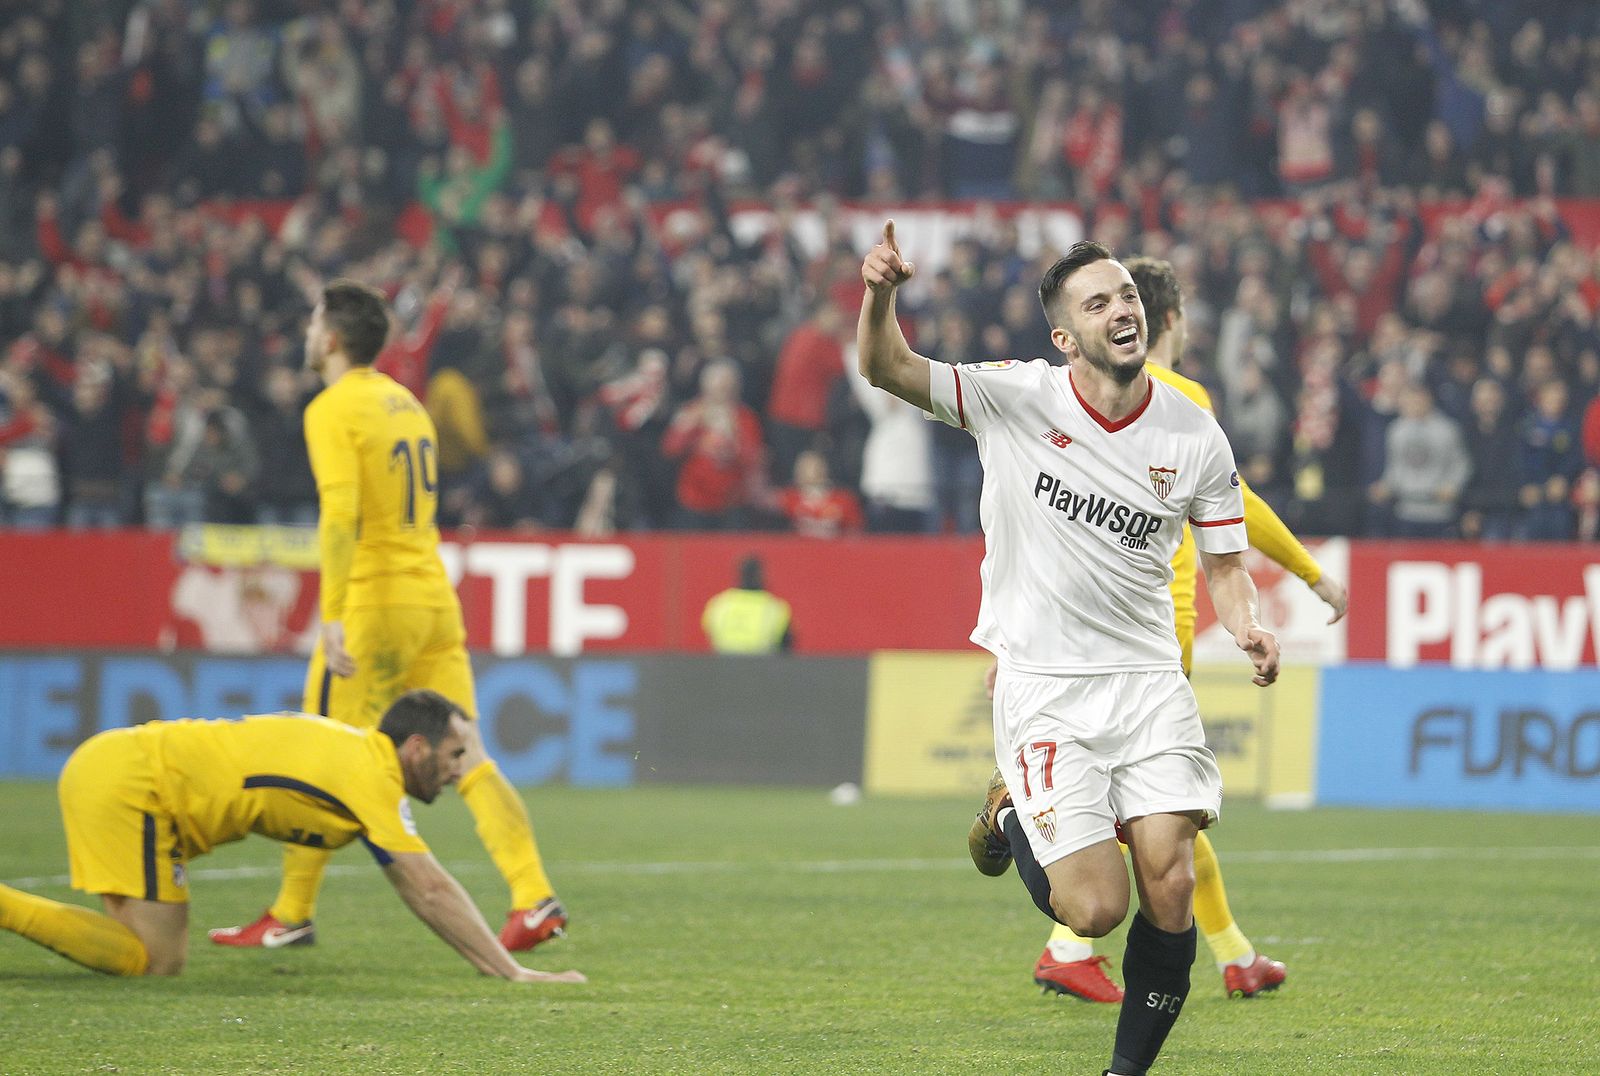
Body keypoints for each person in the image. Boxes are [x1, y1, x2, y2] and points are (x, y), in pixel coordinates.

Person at [860, 224, 1280, 1076]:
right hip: (1047, 688)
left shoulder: (1193, 433)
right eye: (1098, 303)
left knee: (1168, 882)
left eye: (1126, 295)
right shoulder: (1017, 398)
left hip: (1150, 683)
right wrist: (881, 295)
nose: (1121, 309)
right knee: (1092, 911)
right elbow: (888, 368)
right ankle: (1010, 809)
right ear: (1065, 336)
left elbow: (1229, 564)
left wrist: (1245, 623)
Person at [1014, 254, 1350, 1004]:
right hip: (1152, 637)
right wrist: (1310, 572)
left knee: (1166, 818)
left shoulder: (1091, 395)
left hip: (1090, 632)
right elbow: (1244, 508)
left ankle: (1230, 953)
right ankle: (1072, 940)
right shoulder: (1176, 396)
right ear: (1176, 320)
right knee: (1157, 813)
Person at [209, 280, 567, 954]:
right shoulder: (406, 402)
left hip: (374, 602)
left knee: (320, 751)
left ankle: (291, 911)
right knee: (469, 754)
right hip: (433, 596)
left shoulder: (332, 406)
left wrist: (336, 612)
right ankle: (532, 896)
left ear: (334, 338)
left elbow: (342, 511)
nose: (309, 333)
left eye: (315, 323)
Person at [0, 690, 583, 984]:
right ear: (416, 749)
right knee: (153, 962)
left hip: (126, 774)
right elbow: (427, 888)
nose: (460, 771)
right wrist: (511, 972)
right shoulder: (371, 777)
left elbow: (414, 890)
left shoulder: (360, 760)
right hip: (134, 786)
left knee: (142, 953)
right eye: (455, 756)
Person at [702, 555, 793, 654]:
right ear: (761, 576)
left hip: (723, 666)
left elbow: (711, 636)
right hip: (762, 667)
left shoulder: (718, 605)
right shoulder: (775, 608)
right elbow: (786, 650)